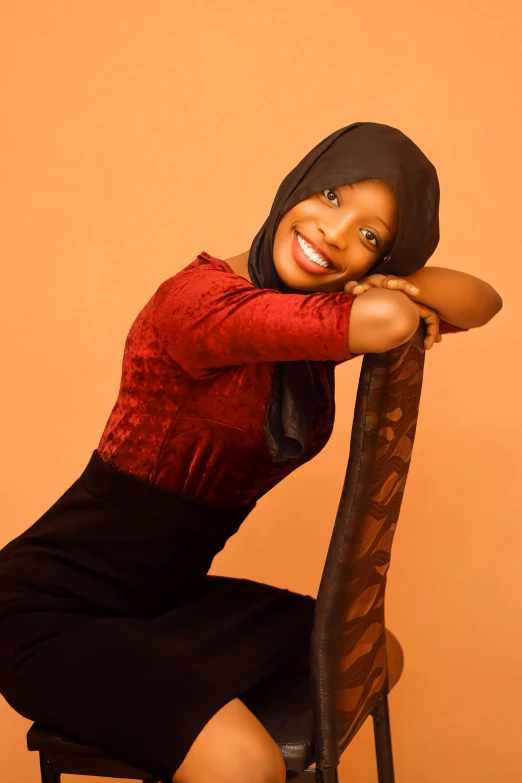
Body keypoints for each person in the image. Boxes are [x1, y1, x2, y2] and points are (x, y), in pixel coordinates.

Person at [0, 122, 502, 783]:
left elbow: (482, 300)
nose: (336, 232)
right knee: (244, 764)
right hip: (50, 612)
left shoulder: (307, 307)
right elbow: (389, 323)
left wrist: (388, 283)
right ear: (296, 183)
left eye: (371, 234)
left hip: (167, 603)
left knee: (372, 652)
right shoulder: (199, 302)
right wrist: (383, 292)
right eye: (329, 195)